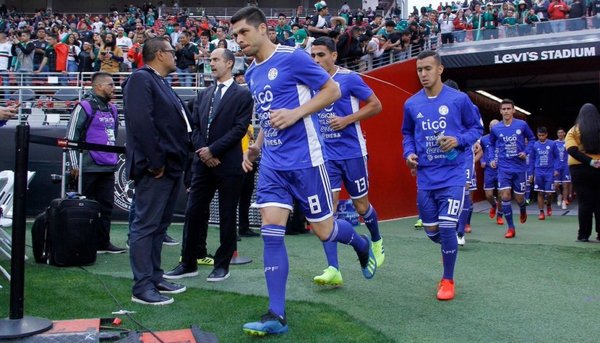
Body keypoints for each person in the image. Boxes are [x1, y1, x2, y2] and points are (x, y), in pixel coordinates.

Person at [230, 6, 377, 337]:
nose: (238, 40)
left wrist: (296, 113)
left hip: (307, 161)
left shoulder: (293, 58)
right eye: (235, 35)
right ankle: (276, 315)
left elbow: (332, 91)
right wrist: (256, 146)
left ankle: (360, 243)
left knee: (325, 232)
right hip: (273, 165)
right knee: (271, 230)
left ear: (264, 29)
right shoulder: (252, 72)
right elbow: (270, 116)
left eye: (243, 33)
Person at [164, 48, 252, 282]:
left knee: (226, 216)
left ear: (230, 63)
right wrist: (204, 153)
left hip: (228, 165)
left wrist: (213, 150)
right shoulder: (204, 94)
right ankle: (188, 262)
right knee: (193, 213)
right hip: (202, 165)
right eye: (210, 59)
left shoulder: (243, 95)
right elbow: (194, 128)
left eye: (215, 60)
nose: (210, 63)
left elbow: (239, 128)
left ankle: (222, 265)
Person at [402, 50, 483, 301]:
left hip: (454, 174)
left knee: (448, 225)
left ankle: (448, 279)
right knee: (432, 231)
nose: (423, 74)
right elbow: (407, 133)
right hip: (426, 176)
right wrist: (409, 153)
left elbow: (476, 128)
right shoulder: (411, 103)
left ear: (440, 69)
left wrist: (458, 140)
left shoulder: (459, 100)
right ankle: (448, 248)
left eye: (427, 69)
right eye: (419, 70)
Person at [310, 36, 384, 286]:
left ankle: (376, 240)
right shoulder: (311, 83)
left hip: (352, 153)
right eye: (313, 56)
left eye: (321, 55)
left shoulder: (349, 78)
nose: (317, 60)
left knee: (362, 207)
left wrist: (347, 120)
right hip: (326, 156)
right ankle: (333, 268)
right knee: (326, 215)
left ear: (334, 56)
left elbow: (376, 106)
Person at [122, 37, 190, 305]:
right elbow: (142, 123)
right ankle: (142, 286)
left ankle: (154, 276)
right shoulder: (141, 79)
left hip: (171, 166)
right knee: (146, 225)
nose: (176, 56)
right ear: (160, 54)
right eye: (172, 52)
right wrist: (155, 161)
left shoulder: (160, 82)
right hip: (156, 169)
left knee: (159, 226)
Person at [66, 72, 125, 254]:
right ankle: (80, 244)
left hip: (107, 166)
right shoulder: (84, 106)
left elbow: (113, 136)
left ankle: (102, 242)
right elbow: (71, 138)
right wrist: (75, 165)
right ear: (98, 86)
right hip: (87, 167)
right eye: (110, 85)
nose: (113, 88)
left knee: (105, 207)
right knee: (82, 208)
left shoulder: (113, 109)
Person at [489, 99, 535, 239]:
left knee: (519, 198)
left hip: (519, 167)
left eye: (509, 108)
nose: (506, 111)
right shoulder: (496, 128)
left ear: (513, 110)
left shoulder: (522, 125)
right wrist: (491, 158)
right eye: (504, 109)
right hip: (504, 167)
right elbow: (490, 144)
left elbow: (532, 139)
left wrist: (525, 152)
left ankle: (522, 208)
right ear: (500, 111)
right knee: (505, 196)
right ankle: (511, 228)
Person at [565, 103, 600, 242]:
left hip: (579, 170)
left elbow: (572, 150)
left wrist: (588, 161)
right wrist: (595, 162)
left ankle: (583, 235)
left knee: (584, 202)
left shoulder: (573, 130)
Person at [530, 126, 559, 220]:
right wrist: (531, 173)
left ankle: (549, 205)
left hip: (549, 171)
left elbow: (557, 157)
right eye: (539, 135)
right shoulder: (535, 145)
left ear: (546, 134)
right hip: (538, 171)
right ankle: (541, 212)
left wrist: (556, 169)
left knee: (549, 193)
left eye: (543, 135)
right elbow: (532, 159)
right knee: (540, 193)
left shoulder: (552, 144)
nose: (541, 137)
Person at [238, 123, 260, 237]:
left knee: (246, 199)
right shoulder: (236, 125)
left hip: (250, 164)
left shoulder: (249, 127)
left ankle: (244, 227)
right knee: (233, 199)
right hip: (239, 163)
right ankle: (231, 230)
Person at [481, 119, 504, 225]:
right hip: (489, 171)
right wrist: (482, 161)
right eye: (491, 127)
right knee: (489, 195)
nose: (493, 129)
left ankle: (499, 215)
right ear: (489, 128)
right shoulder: (484, 139)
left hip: (500, 170)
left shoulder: (503, 138)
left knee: (500, 194)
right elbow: (480, 151)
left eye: (495, 127)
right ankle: (494, 205)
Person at [554, 127, 571, 210]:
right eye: (558, 133)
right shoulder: (554, 143)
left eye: (561, 132)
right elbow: (551, 156)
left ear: (564, 133)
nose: (560, 134)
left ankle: (564, 201)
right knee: (556, 185)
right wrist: (553, 168)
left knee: (565, 185)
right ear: (557, 134)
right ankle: (559, 195)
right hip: (556, 166)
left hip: (565, 166)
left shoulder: (568, 142)